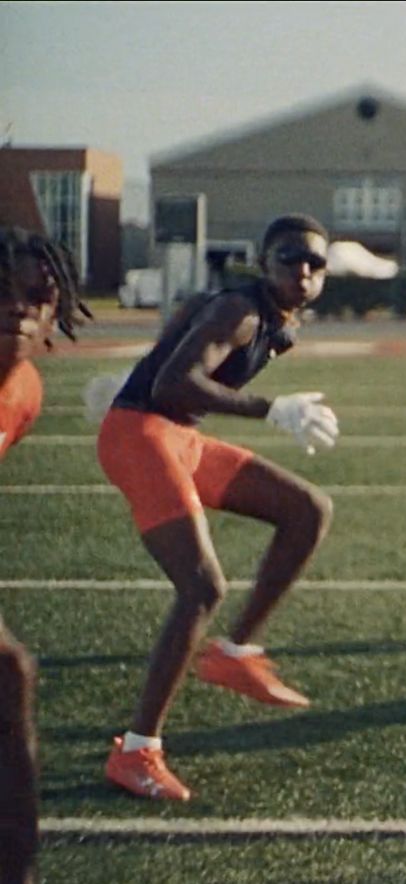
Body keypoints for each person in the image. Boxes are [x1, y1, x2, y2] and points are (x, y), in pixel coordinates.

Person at [95, 214, 339, 801]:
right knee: (202, 587)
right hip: (143, 433)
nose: (302, 272)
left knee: (308, 510)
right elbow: (172, 383)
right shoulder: (243, 311)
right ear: (263, 262)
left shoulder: (280, 323)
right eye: (289, 259)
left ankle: (235, 654)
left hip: (178, 436)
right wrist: (269, 409)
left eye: (315, 263)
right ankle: (136, 751)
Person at [0, 226, 88, 884]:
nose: (18, 309)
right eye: (0, 293)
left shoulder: (24, 392)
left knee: (10, 674)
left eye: (36, 296)